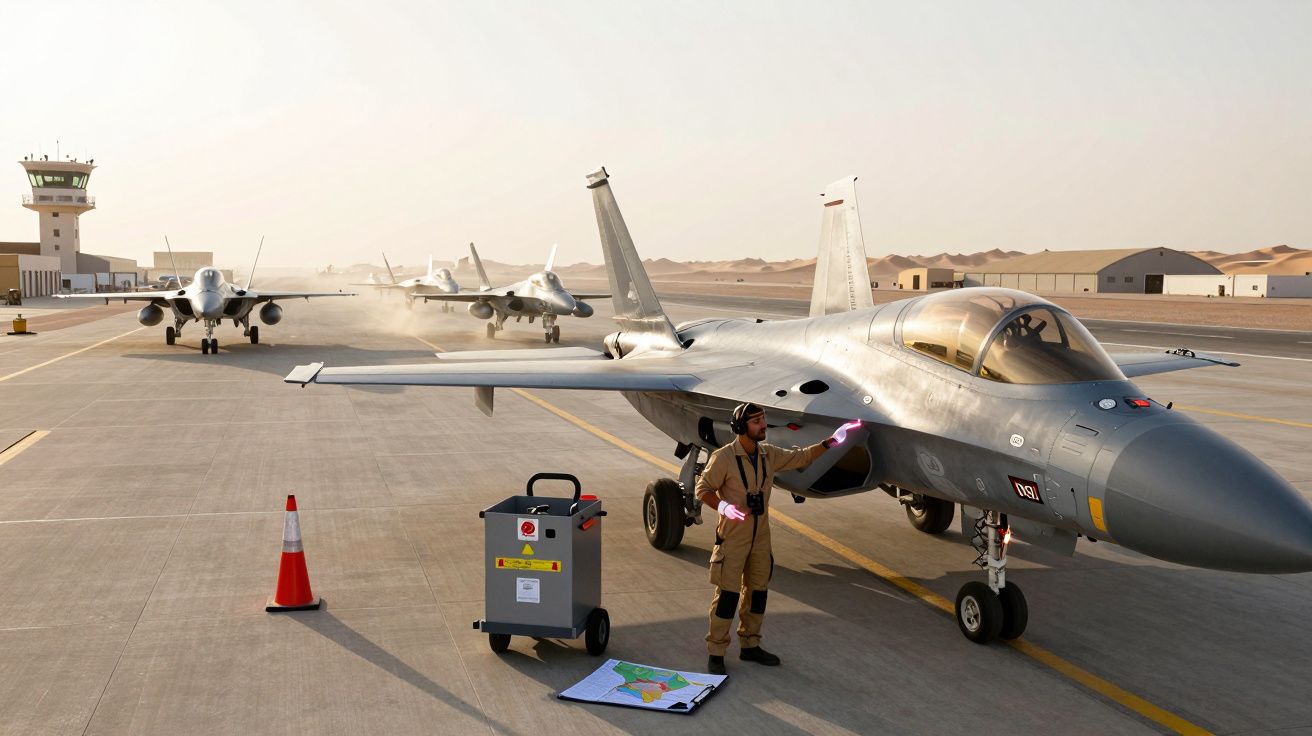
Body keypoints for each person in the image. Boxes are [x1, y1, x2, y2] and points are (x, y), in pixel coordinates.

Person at [694, 403, 855, 675]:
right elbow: (703, 489)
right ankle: (716, 652)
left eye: (763, 420)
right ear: (741, 427)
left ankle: (750, 645)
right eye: (757, 422)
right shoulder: (723, 458)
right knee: (727, 597)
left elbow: (801, 458)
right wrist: (723, 507)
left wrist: (830, 442)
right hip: (733, 538)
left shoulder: (769, 455)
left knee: (758, 594)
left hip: (761, 537)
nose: (763, 426)